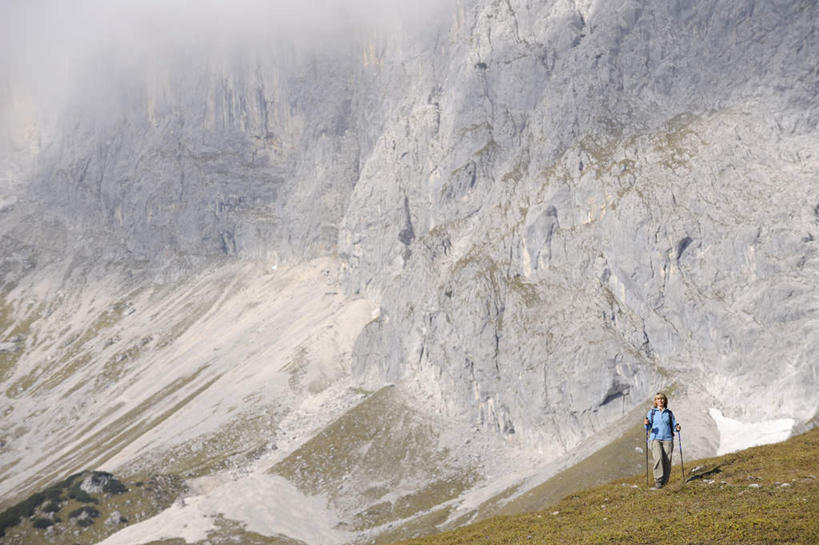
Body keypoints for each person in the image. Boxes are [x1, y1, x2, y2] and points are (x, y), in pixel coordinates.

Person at [644, 392, 681, 489]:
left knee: (667, 461)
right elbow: (648, 427)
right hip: (655, 438)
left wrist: (677, 427)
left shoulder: (669, 413)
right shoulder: (652, 412)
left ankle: (665, 482)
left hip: (668, 439)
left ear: (665, 401)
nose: (660, 401)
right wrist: (646, 424)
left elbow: (673, 425)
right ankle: (658, 481)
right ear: (655, 401)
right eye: (658, 399)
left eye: (662, 399)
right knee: (658, 458)